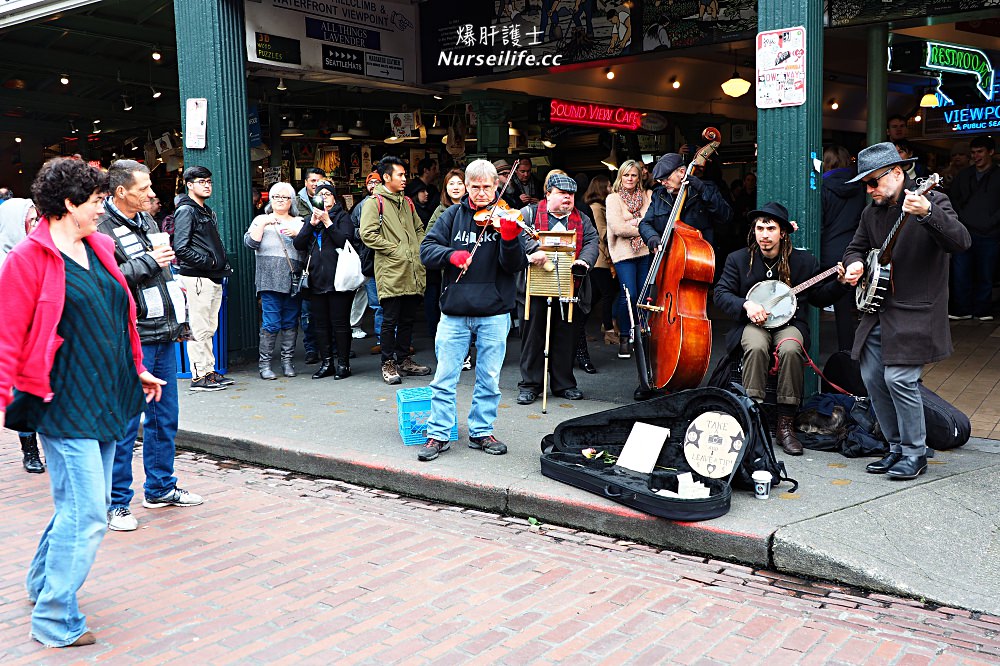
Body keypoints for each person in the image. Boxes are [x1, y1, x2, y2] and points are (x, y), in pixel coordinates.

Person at [0, 157, 165, 647]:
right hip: (63, 401)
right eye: (95, 202)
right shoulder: (27, 260)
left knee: (75, 505)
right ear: (69, 204)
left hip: (111, 394)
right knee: (89, 513)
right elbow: (7, 338)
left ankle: (40, 584)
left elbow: (121, 316)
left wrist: (136, 366)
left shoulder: (102, 247)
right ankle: (54, 619)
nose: (101, 209)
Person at [843, 142, 970, 480]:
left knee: (899, 378)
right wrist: (855, 266)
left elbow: (961, 241)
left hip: (916, 311)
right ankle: (895, 447)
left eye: (874, 182)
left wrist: (928, 213)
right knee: (871, 377)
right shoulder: (871, 212)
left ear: (898, 173)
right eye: (865, 185)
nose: (869, 191)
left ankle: (915, 453)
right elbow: (855, 248)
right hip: (877, 310)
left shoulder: (934, 200)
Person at [97, 159, 202, 533]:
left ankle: (160, 488)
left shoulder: (148, 221)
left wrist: (174, 286)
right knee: (126, 423)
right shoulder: (100, 228)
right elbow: (105, 282)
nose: (151, 193)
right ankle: (116, 503)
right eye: (143, 188)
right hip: (132, 336)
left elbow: (157, 270)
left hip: (162, 331)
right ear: (121, 191)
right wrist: (148, 263)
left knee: (163, 418)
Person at [715, 202, 850, 456]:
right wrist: (746, 305)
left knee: (790, 348)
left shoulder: (803, 262)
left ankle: (785, 424)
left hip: (789, 324)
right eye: (760, 228)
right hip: (752, 324)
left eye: (771, 228)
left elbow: (819, 297)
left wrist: (841, 285)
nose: (764, 234)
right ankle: (751, 417)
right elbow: (721, 294)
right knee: (755, 346)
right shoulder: (738, 259)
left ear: (783, 232)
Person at [417, 160, 529, 461]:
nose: (481, 193)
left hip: (494, 312)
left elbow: (514, 265)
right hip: (455, 311)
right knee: (444, 377)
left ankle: (481, 431)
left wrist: (508, 238)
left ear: (496, 186)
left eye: (487, 187)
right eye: (475, 187)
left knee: (489, 378)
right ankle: (438, 433)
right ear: (466, 187)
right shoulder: (451, 216)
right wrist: (452, 255)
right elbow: (426, 250)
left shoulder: (507, 217)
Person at [516, 173, 599, 404]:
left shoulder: (581, 219)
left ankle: (564, 384)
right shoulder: (529, 214)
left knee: (566, 336)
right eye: (562, 194)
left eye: (571, 195)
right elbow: (515, 235)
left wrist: (584, 261)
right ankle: (530, 385)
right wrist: (532, 251)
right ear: (548, 194)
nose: (568, 199)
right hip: (534, 287)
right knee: (533, 337)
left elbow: (592, 241)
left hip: (569, 285)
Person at [360, 156, 432, 385]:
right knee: (390, 319)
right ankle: (388, 363)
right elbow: (367, 233)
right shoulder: (375, 202)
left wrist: (418, 250)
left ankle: (404, 359)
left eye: (404, 174)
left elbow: (419, 228)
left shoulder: (407, 202)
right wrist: (397, 250)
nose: (405, 178)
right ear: (387, 177)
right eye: (400, 175)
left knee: (408, 318)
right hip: (391, 269)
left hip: (412, 268)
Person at [173, 166, 234, 391]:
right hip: (198, 277)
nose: (207, 185)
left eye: (209, 181)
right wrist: (209, 262)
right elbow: (180, 247)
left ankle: (208, 371)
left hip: (209, 277)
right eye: (201, 181)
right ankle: (199, 375)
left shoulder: (204, 210)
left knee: (208, 328)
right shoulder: (187, 211)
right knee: (199, 329)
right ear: (189, 184)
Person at [0, 197, 46, 473]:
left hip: (45, 335)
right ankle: (29, 450)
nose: (36, 223)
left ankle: (52, 444)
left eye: (37, 218)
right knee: (24, 395)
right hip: (19, 339)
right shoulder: (5, 260)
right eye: (30, 219)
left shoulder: (41, 251)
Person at [294, 182, 357, 380]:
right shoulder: (310, 219)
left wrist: (328, 222)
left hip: (339, 279)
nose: (324, 198)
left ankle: (343, 364)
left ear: (335, 198)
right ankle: (326, 362)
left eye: (328, 194)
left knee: (340, 323)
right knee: (320, 324)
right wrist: (311, 223)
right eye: (319, 195)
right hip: (316, 279)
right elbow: (298, 243)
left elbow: (345, 241)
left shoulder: (342, 217)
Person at [244, 182, 305, 379]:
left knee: (290, 322)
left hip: (292, 278)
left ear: (291, 201)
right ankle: (265, 365)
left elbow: (307, 247)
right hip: (268, 279)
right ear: (270, 199)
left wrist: (297, 234)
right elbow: (250, 243)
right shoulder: (260, 219)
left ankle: (287, 363)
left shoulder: (299, 221)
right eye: (276, 196)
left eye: (285, 197)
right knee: (270, 323)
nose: (280, 200)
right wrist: (263, 223)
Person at [949, 136, 1000, 321]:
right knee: (961, 273)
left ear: (991, 152)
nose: (976, 156)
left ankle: (982, 310)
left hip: (990, 234)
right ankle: (962, 309)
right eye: (973, 152)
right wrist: (960, 220)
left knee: (985, 274)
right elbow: (952, 200)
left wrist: (992, 222)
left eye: (980, 152)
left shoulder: (998, 175)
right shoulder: (964, 175)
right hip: (964, 232)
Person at [821, 144, 866, 350]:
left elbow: (820, 223)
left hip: (828, 251)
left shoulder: (821, 188)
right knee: (847, 307)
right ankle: (849, 351)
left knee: (816, 298)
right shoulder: (861, 188)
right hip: (853, 252)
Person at [605, 159, 652, 358]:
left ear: (639, 176)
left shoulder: (648, 195)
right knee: (629, 295)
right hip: (623, 254)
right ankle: (624, 336)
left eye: (634, 175)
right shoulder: (613, 199)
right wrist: (640, 225)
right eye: (626, 175)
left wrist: (633, 222)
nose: (630, 179)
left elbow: (652, 221)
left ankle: (641, 335)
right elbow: (618, 228)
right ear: (620, 177)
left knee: (644, 296)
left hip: (645, 251)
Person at [639, 152, 731, 249]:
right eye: (660, 180)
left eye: (666, 178)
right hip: (668, 254)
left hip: (698, 254)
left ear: (682, 172)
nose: (663, 183)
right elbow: (645, 223)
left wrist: (703, 190)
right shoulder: (659, 194)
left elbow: (725, 216)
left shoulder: (706, 189)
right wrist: (652, 237)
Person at [577, 173, 615, 373]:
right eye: (608, 186)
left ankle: (586, 332)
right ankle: (608, 330)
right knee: (605, 293)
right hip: (598, 258)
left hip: (595, 257)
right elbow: (601, 235)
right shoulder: (595, 208)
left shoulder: (590, 208)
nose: (611, 189)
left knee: (594, 296)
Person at [353, 171, 386, 355]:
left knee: (396, 303)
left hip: (390, 261)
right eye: (370, 182)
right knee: (377, 305)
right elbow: (352, 231)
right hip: (370, 262)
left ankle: (399, 341)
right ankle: (382, 340)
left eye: (377, 182)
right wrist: (367, 234)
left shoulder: (392, 203)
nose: (373, 185)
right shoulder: (361, 206)